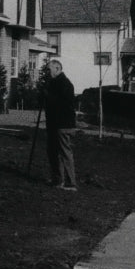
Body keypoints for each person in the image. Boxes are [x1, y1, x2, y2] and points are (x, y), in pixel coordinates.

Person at [43, 59, 77, 191]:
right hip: (54, 124)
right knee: (52, 151)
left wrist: (48, 96)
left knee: (64, 152)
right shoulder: (54, 82)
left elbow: (63, 104)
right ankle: (58, 180)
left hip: (63, 124)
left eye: (49, 69)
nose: (47, 72)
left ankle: (71, 183)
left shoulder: (64, 83)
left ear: (57, 68)